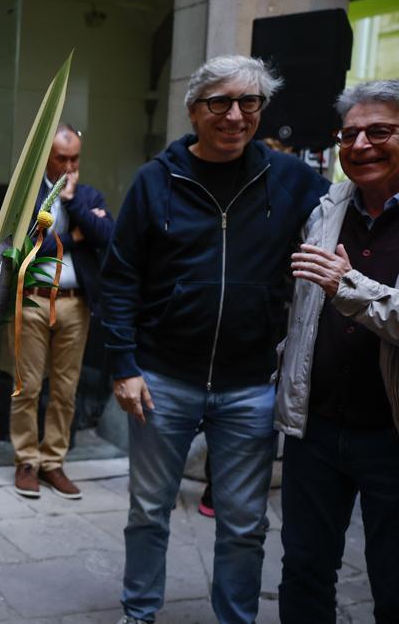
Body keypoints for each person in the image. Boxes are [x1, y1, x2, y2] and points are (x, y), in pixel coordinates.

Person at [101, 54, 328, 624]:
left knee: (245, 523)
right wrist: (122, 364)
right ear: (193, 110)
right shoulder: (157, 179)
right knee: (149, 511)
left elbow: (358, 203)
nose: (234, 115)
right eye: (219, 103)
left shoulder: (293, 180)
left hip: (250, 385)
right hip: (161, 379)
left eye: (248, 102)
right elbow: (121, 276)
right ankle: (139, 614)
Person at [276, 79, 399, 623]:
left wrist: (349, 286)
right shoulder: (327, 207)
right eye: (349, 135)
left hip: (391, 437)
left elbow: (340, 290)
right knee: (304, 570)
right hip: (317, 428)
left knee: (394, 583)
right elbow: (301, 309)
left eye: (379, 131)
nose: (361, 145)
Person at [10, 124, 113, 500]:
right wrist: (75, 236)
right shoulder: (28, 195)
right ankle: (26, 461)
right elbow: (29, 245)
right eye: (61, 158)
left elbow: (106, 238)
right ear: (46, 158)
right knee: (28, 386)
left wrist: (72, 204)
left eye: (75, 159)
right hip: (33, 299)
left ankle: (53, 462)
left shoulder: (86, 196)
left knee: (66, 390)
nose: (69, 166)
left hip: (74, 303)